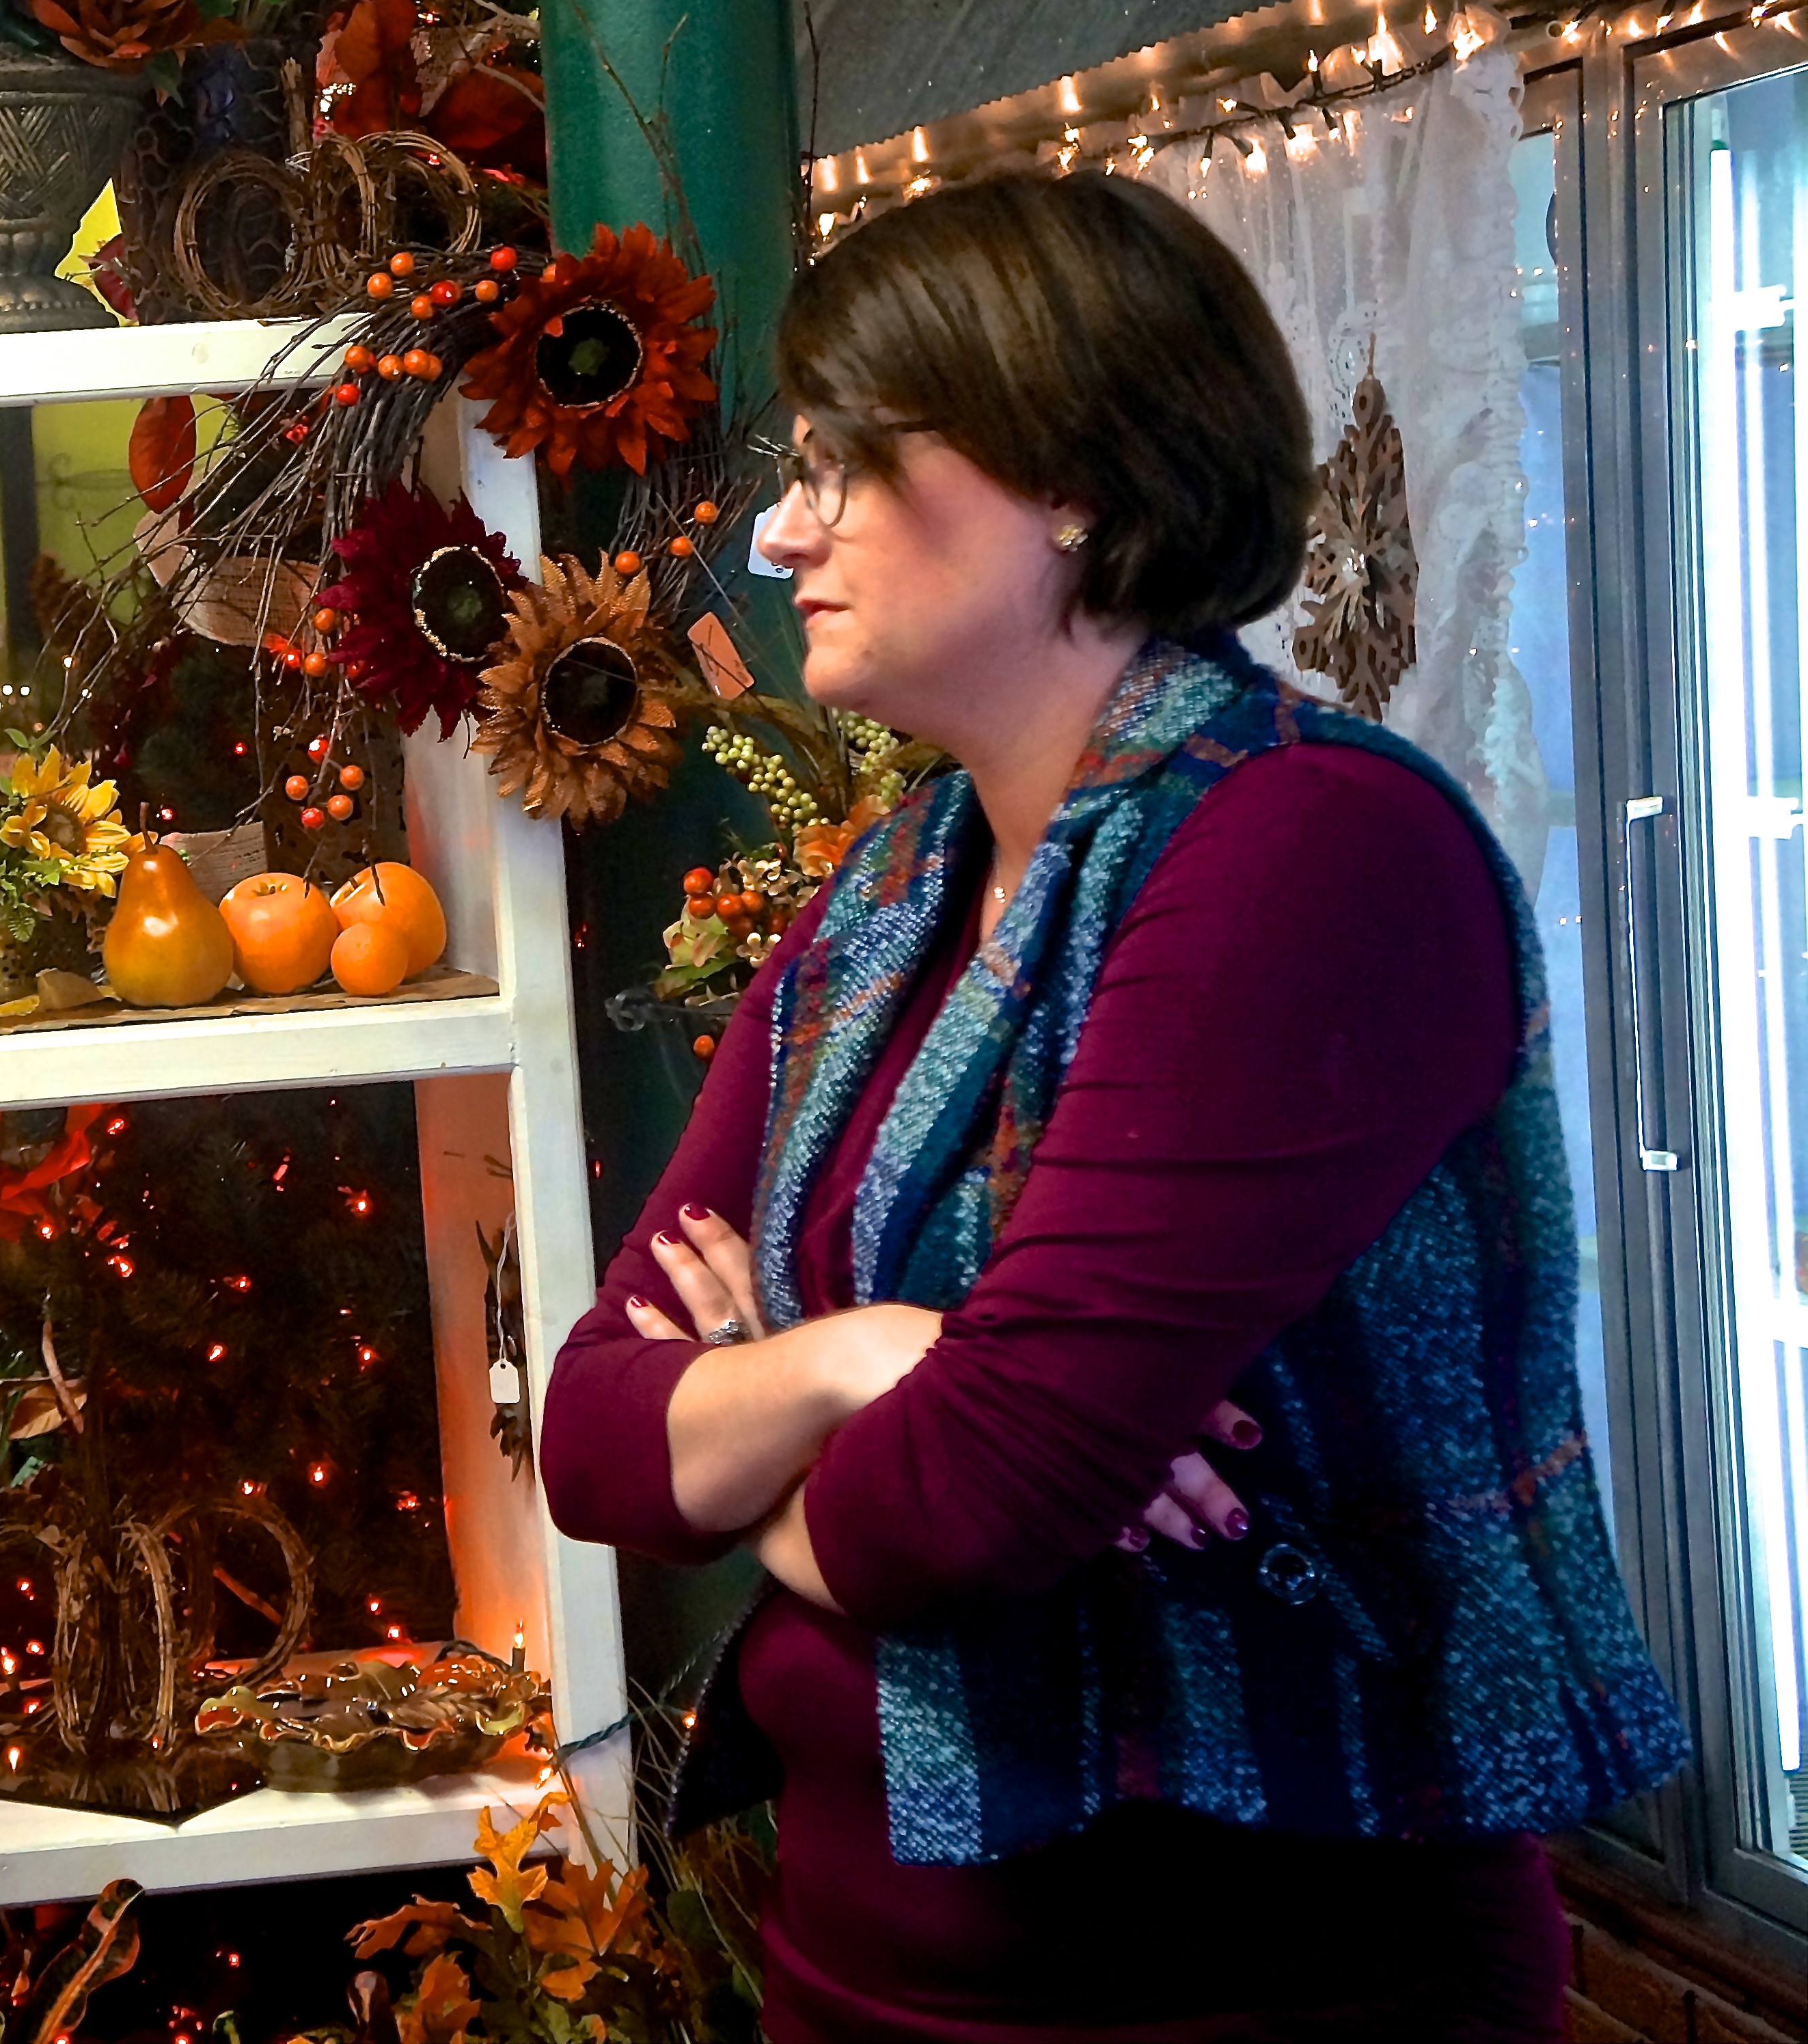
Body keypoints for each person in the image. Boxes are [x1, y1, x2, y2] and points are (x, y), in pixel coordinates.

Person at [539, 174, 1688, 2041]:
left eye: (842, 464)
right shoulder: (893, 885)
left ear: (1070, 477)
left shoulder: (1308, 848)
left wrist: (780, 1416)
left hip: (1243, 1986)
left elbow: (961, 1511)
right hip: (857, 1971)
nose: (780, 529)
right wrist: (869, 1360)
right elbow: (593, 1440)